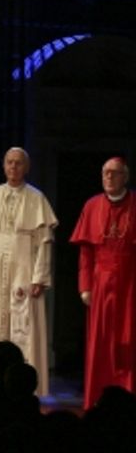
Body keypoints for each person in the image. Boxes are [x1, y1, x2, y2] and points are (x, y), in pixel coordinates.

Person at [0, 147, 58, 395]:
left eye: (18, 163)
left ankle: (23, 385)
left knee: (24, 324)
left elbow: (44, 242)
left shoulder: (37, 198)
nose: (13, 167)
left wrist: (39, 276)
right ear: (3, 166)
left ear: (26, 167)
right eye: (9, 162)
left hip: (24, 267)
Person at [69, 157, 135, 408]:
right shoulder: (92, 205)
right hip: (100, 281)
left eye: (114, 173)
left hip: (131, 282)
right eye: (105, 173)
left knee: (128, 340)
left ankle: (128, 396)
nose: (108, 177)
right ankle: (98, 397)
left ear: (125, 177)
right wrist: (84, 286)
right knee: (101, 341)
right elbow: (86, 252)